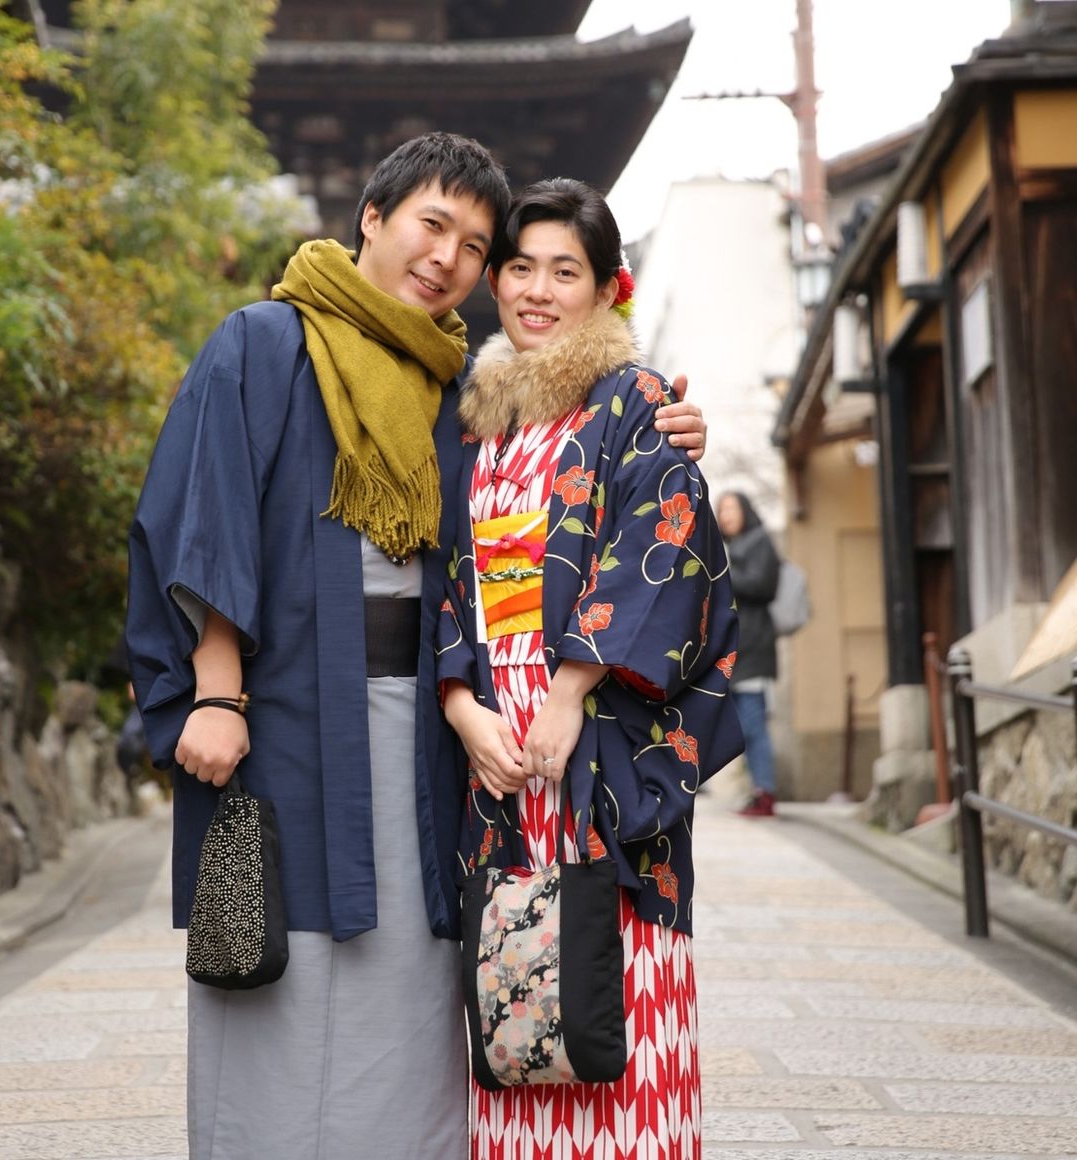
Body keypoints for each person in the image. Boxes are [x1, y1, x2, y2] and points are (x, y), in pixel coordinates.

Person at [126, 134, 710, 1159]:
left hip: (425, 726)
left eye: (475, 246)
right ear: (372, 216)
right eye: (432, 225)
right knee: (277, 952)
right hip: (284, 707)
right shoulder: (266, 342)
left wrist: (668, 426)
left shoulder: (460, 389)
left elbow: (543, 503)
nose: (448, 258)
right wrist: (215, 690)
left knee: (417, 962)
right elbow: (204, 513)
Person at [437, 178, 744, 1160]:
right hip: (498, 744)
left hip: (599, 737)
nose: (538, 290)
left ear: (608, 287)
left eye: (564, 271)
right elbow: (450, 578)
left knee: (615, 989)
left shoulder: (636, 402)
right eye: (520, 267)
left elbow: (662, 544)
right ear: (494, 281)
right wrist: (461, 707)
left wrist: (569, 689)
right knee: (517, 988)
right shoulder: (476, 419)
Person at [717, 491, 781, 817]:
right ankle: (756, 790)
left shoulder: (759, 541)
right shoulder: (729, 546)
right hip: (735, 651)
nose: (726, 515)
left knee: (754, 724)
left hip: (753, 649)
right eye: (722, 509)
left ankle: (765, 793)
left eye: (732, 507)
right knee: (742, 726)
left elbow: (764, 585)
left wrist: (724, 573)